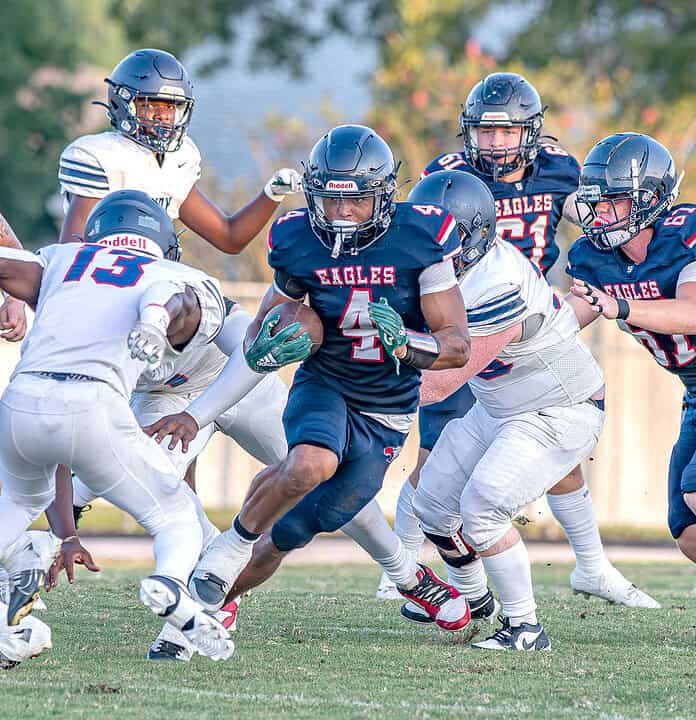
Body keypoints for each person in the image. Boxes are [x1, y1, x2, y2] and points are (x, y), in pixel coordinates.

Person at [176, 124, 475, 635]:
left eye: (354, 201)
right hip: (327, 381)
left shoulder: (421, 238)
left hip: (388, 405)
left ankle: (224, 596)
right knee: (310, 463)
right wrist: (269, 339)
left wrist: (408, 343)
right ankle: (229, 548)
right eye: (330, 201)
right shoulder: (298, 238)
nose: (340, 213)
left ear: (381, 195)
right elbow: (267, 324)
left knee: (304, 522)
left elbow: (457, 345)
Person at [378, 72, 657, 610]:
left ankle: (593, 565)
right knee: (434, 453)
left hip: (523, 319)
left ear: (531, 133)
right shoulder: (447, 179)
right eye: (486, 131)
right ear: (468, 132)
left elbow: (598, 221)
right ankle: (403, 566)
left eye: (508, 132)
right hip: (461, 320)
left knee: (554, 452)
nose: (497, 142)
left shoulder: (559, 173)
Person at [56, 47, 302, 525]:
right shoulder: (97, 156)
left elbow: (229, 237)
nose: (160, 116)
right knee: (89, 428)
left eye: (169, 106)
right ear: (123, 104)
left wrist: (268, 197)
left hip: (173, 301)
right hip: (119, 306)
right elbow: (73, 252)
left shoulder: (180, 158)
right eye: (150, 105)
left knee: (247, 347)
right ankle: (64, 513)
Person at [0, 190, 237, 663]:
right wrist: (157, 318)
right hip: (94, 401)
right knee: (174, 517)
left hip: (20, 401)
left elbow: (10, 268)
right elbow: (186, 305)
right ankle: (170, 583)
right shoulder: (179, 272)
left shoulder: (62, 257)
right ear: (165, 242)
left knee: (16, 502)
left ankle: (19, 587)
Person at [406, 169, 606, 650]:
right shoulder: (446, 269)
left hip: (558, 408)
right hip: (500, 405)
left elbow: (441, 381)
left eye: (444, 240)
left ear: (474, 239)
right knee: (431, 506)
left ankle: (525, 627)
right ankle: (477, 602)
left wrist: (355, 391)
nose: (431, 251)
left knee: (483, 508)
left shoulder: (496, 282)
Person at [565, 132, 696, 565]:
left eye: (614, 201)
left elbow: (692, 313)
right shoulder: (593, 258)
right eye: (596, 202)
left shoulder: (685, 234)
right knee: (688, 531)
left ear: (650, 197)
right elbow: (560, 325)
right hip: (693, 390)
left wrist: (622, 306)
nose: (601, 212)